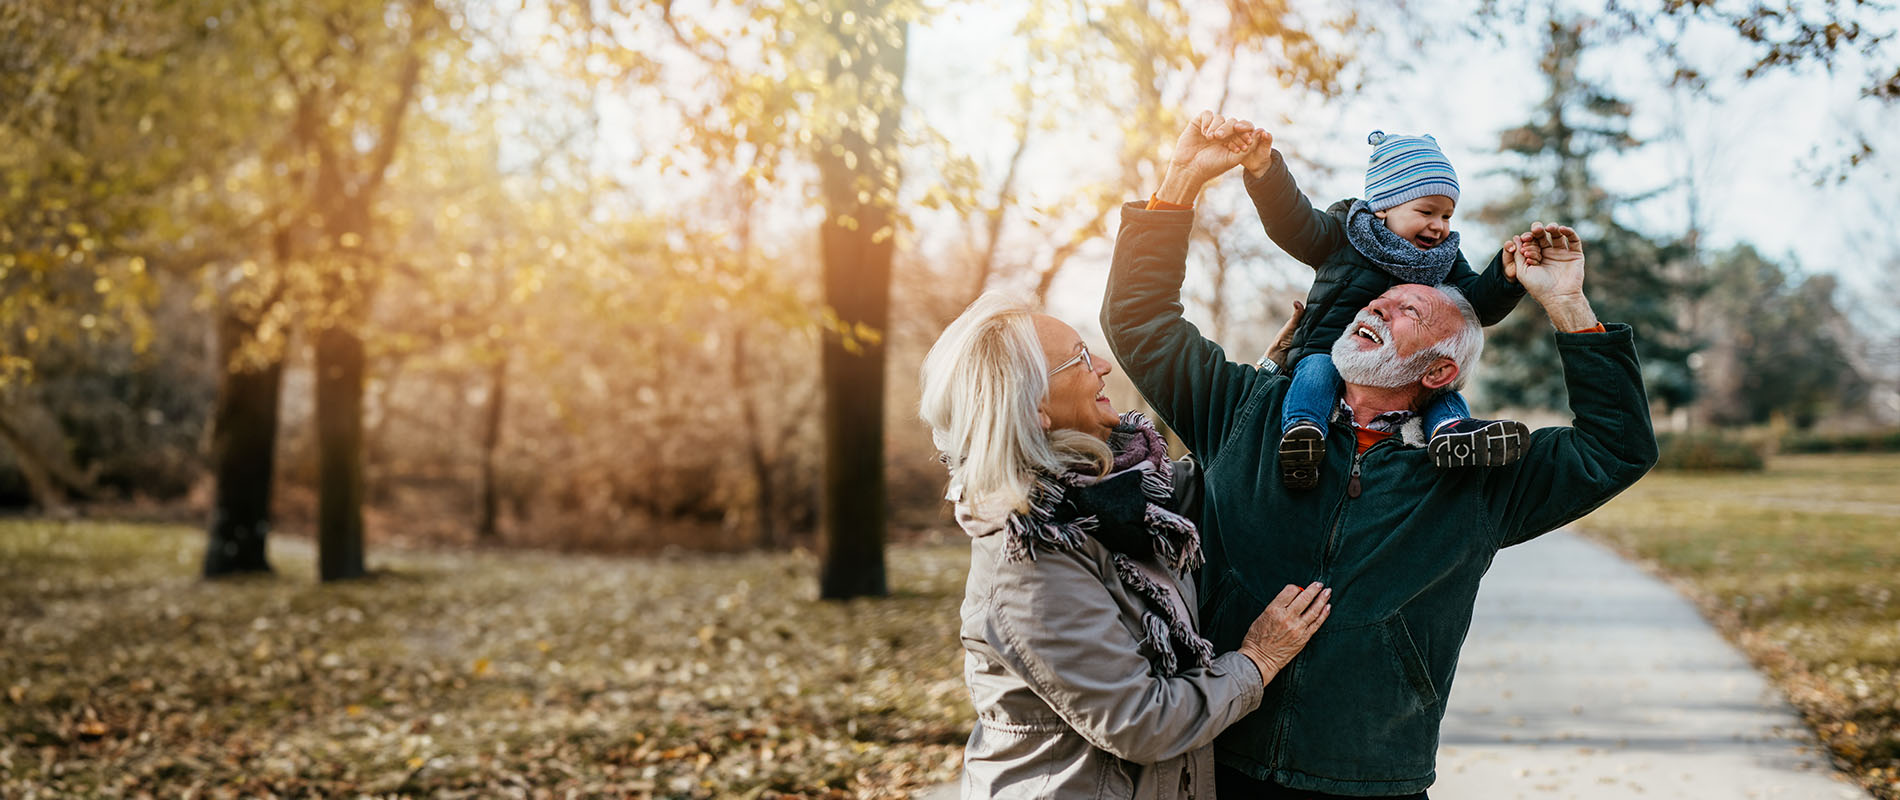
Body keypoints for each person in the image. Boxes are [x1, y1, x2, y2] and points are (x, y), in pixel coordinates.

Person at [1102, 111, 1659, 798]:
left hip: (1374, 777)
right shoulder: (1248, 413)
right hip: (1219, 760)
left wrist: (1568, 304)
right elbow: (1140, 321)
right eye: (1381, 298)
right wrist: (1182, 177)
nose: (1375, 307)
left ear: (1437, 372)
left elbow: (1618, 448)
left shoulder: (1477, 477)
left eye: (1408, 311)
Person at [920, 293, 1332, 799]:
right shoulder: (1031, 553)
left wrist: (1268, 375)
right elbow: (1142, 721)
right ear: (1035, 408)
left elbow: (1220, 479)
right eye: (1079, 359)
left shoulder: (1112, 494)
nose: (1104, 366)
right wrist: (1258, 659)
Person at [1226, 123, 1532, 489]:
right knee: (1315, 371)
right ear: (1385, 206)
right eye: (1427, 211)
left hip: (1397, 372)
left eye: (1447, 216)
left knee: (1440, 392)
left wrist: (1506, 277)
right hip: (1326, 350)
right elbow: (1293, 222)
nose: (1439, 227)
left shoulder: (1444, 259)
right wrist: (1265, 171)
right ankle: (1304, 433)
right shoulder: (1343, 235)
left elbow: (1476, 304)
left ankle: (1452, 434)